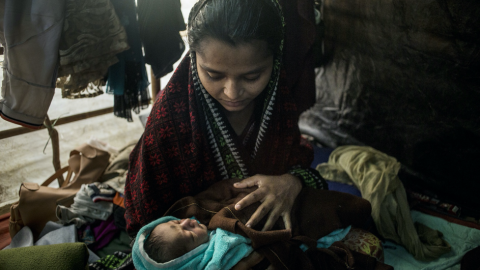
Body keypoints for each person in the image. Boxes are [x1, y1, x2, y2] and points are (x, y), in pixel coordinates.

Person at [125, 0, 326, 238]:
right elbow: (146, 225)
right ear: (193, 59)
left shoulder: (277, 102)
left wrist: (291, 182)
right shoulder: (167, 124)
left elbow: (298, 161)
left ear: (275, 60)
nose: (232, 93)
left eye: (252, 76)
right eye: (213, 74)